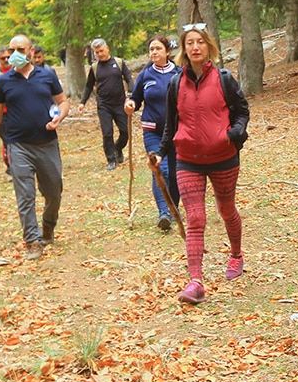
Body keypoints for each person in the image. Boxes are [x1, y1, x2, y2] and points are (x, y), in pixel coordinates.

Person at [152, 24, 249, 305]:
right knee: (195, 219)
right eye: (190, 43)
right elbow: (171, 125)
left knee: (226, 209)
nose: (195, 47)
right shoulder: (175, 83)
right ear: (184, 49)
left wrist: (234, 134)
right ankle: (195, 281)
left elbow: (242, 112)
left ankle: (236, 255)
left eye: (200, 43)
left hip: (223, 158)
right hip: (188, 160)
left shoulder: (224, 79)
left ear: (209, 47)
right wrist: (160, 152)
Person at [0, 34, 70, 260]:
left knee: (54, 192)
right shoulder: (3, 81)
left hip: (47, 144)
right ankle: (32, 240)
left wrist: (59, 117)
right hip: (18, 145)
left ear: (31, 51)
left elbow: (63, 102)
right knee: (25, 195)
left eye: (20, 49)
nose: (14, 54)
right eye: (11, 50)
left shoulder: (47, 76)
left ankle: (48, 226)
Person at [126, 34, 178, 231]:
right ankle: (163, 213)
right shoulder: (146, 75)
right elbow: (135, 98)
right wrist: (130, 104)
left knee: (175, 173)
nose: (154, 52)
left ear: (167, 51)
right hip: (152, 131)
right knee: (160, 169)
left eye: (158, 48)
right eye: (151, 49)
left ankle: (173, 209)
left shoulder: (179, 73)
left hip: (177, 131)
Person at [80, 38, 133, 171]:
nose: (100, 54)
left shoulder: (119, 63)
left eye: (101, 51)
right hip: (104, 105)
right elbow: (88, 86)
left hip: (120, 103)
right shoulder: (95, 67)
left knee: (125, 132)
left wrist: (131, 95)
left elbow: (129, 78)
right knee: (107, 133)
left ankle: (117, 148)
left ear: (107, 48)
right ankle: (111, 159)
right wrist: (82, 102)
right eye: (97, 52)